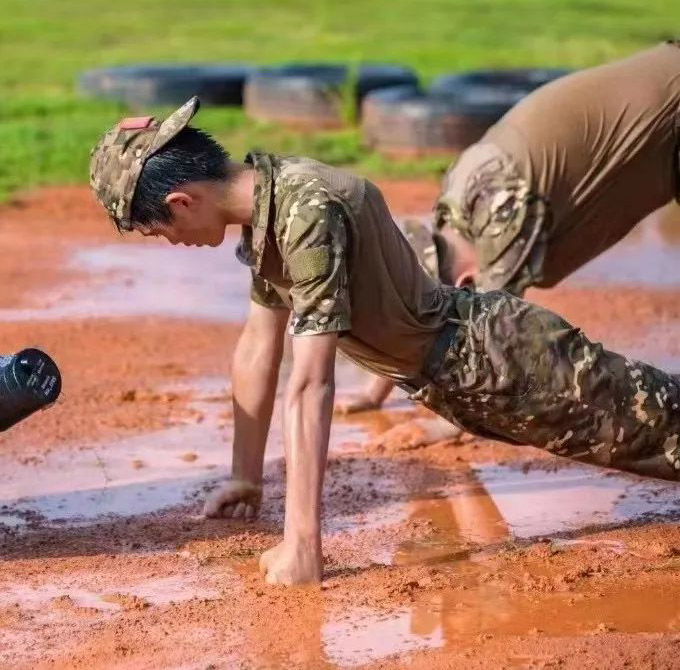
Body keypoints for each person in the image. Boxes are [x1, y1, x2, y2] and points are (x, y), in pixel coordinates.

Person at [88, 97, 680, 585]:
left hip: (504, 362)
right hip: (463, 380)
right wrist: (245, 476)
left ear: (180, 202)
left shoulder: (304, 211)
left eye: (158, 232)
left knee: (665, 435)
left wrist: (302, 546)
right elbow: (256, 344)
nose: (171, 244)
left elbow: (311, 381)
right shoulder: (267, 212)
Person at [339, 41, 680, 415]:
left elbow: (496, 342)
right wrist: (374, 394)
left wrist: (449, 426)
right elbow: (409, 306)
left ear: (467, 281)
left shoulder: (502, 203)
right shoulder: (455, 207)